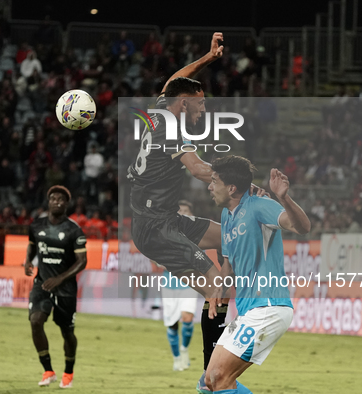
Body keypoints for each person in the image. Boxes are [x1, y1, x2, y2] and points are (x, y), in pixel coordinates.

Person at [127, 33, 243, 392]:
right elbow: (197, 168)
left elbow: (174, 79)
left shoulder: (162, 110)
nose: (204, 109)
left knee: (225, 236)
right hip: (154, 226)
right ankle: (211, 378)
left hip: (164, 218)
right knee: (216, 291)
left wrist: (208, 58)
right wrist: (240, 180)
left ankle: (215, 362)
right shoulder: (173, 127)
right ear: (184, 104)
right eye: (201, 103)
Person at [205, 156, 311, 393]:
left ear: (231, 187)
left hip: (268, 307)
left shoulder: (260, 205)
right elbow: (228, 265)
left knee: (219, 376)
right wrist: (217, 290)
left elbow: (302, 227)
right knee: (208, 381)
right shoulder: (227, 216)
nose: (209, 187)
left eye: (214, 181)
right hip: (247, 310)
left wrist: (283, 198)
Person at [24, 185, 87, 389]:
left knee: (67, 332)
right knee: (35, 321)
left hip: (65, 288)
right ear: (48, 201)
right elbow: (33, 243)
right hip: (42, 283)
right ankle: (48, 370)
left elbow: (82, 261)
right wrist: (28, 260)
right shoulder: (36, 225)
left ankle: (68, 372)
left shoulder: (74, 230)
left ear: (67, 204)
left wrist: (60, 278)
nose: (57, 201)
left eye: (61, 199)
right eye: (53, 198)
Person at [162, 200, 199, 372]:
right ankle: (176, 357)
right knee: (172, 324)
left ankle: (184, 349)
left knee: (187, 317)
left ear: (191, 216)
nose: (183, 213)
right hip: (169, 283)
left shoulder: (198, 235)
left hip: (190, 282)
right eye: (180, 211)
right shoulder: (165, 233)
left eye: (186, 211)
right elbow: (156, 258)